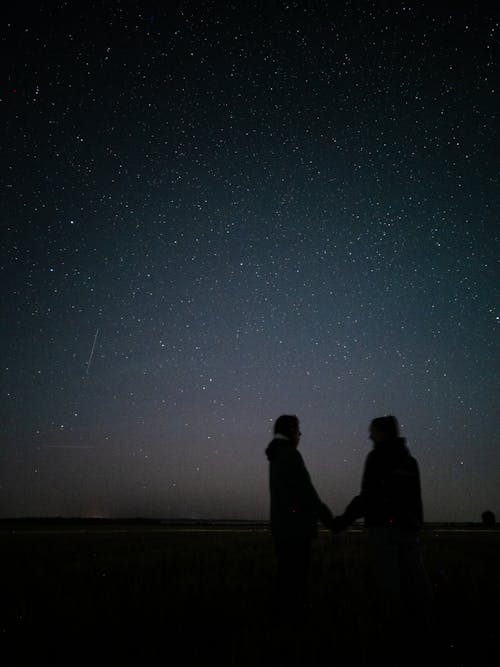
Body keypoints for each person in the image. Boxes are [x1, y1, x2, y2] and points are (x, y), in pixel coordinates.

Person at [332, 416, 433, 661]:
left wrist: (342, 521)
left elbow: (368, 497)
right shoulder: (410, 462)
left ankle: (393, 645)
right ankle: (424, 637)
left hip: (383, 532)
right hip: (409, 530)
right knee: (416, 585)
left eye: (372, 432)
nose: (369, 437)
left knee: (390, 589)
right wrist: (415, 524)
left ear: (382, 433)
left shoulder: (376, 458)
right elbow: (414, 499)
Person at [265, 414, 334, 624]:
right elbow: (306, 491)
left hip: (282, 528)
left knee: (285, 578)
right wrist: (328, 518)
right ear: (291, 432)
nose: (300, 435)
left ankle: (282, 619)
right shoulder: (290, 454)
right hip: (296, 530)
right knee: (295, 581)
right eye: (298, 430)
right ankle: (294, 623)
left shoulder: (276, 454)